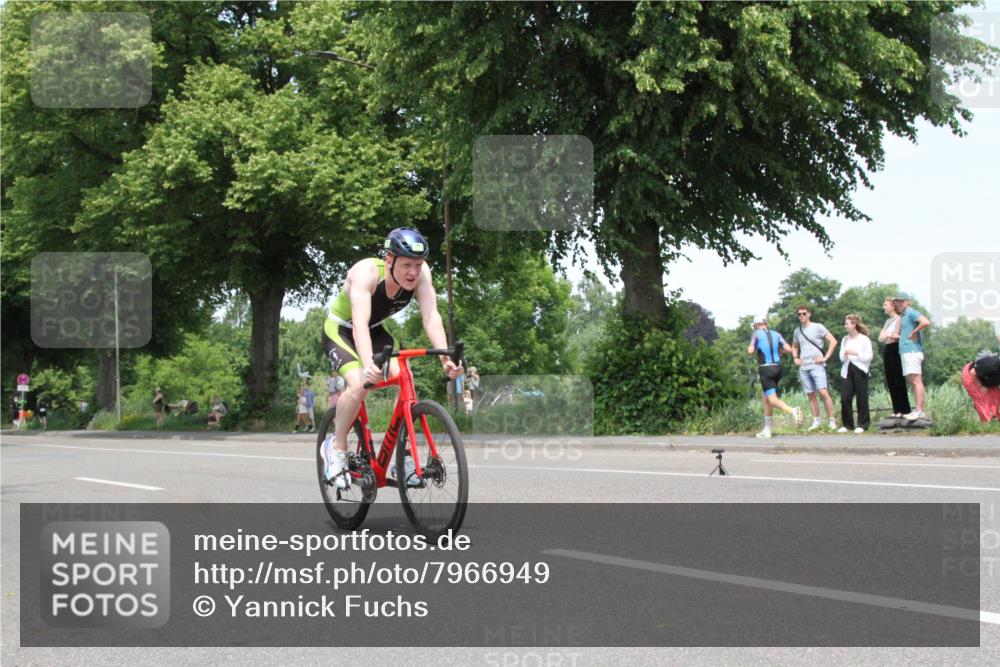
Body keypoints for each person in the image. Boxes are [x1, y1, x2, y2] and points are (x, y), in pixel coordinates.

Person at [320, 227, 464, 489]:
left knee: (404, 376)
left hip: (375, 331)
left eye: (418, 265)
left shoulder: (422, 275)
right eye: (406, 265)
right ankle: (336, 448)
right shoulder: (366, 273)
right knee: (359, 384)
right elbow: (359, 324)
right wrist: (368, 364)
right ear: (389, 260)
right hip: (342, 330)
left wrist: (446, 359)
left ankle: (402, 456)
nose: (413, 272)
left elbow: (431, 317)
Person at [747, 315, 802, 439]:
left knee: (772, 399)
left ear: (757, 325)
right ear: (766, 323)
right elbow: (788, 348)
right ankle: (767, 430)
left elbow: (750, 350)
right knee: (766, 399)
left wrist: (752, 348)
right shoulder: (776, 334)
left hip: (765, 369)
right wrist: (778, 352)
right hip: (777, 368)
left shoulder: (756, 334)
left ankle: (793, 411)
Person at [791, 305, 838, 431]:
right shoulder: (797, 331)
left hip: (817, 365)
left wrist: (825, 357)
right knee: (811, 395)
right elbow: (794, 346)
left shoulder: (818, 327)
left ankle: (832, 421)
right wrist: (795, 357)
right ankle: (816, 421)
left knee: (823, 392)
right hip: (804, 366)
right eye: (799, 314)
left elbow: (833, 341)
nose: (801, 316)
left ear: (809, 314)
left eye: (804, 313)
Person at [893, 292, 932, 420]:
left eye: (901, 301)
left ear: (908, 302)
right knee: (912, 381)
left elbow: (925, 322)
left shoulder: (911, 312)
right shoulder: (904, 315)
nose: (898, 303)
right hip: (906, 351)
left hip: (912, 351)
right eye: (897, 301)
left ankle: (919, 410)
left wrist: (915, 331)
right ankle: (917, 409)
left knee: (916, 380)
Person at [837, 314, 873, 433]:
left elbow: (869, 356)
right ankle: (847, 425)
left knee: (861, 398)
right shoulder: (845, 339)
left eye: (847, 323)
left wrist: (856, 353)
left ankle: (863, 424)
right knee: (845, 398)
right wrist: (845, 355)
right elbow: (841, 357)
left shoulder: (864, 339)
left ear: (854, 324)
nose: (845, 326)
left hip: (860, 370)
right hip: (847, 370)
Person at [877, 297, 911, 418]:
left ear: (892, 306)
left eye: (886, 305)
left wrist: (887, 335)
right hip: (887, 349)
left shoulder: (899, 320)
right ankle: (896, 409)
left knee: (898, 379)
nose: (884, 307)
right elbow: (880, 338)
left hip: (895, 349)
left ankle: (904, 409)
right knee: (890, 379)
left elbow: (895, 336)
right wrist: (888, 335)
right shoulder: (887, 321)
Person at [962, 352, 1000, 423]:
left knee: (996, 396)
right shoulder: (991, 365)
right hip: (971, 376)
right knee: (983, 398)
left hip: (987, 380)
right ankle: (986, 422)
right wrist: (980, 386)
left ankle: (993, 417)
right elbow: (973, 372)